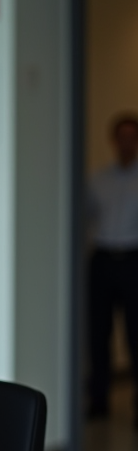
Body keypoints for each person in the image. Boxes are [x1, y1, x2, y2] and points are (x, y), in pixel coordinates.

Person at [86, 112, 138, 424]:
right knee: (98, 333)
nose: (127, 143)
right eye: (122, 137)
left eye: (132, 137)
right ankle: (99, 400)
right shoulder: (97, 179)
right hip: (103, 259)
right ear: (113, 140)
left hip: (134, 259)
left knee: (136, 334)